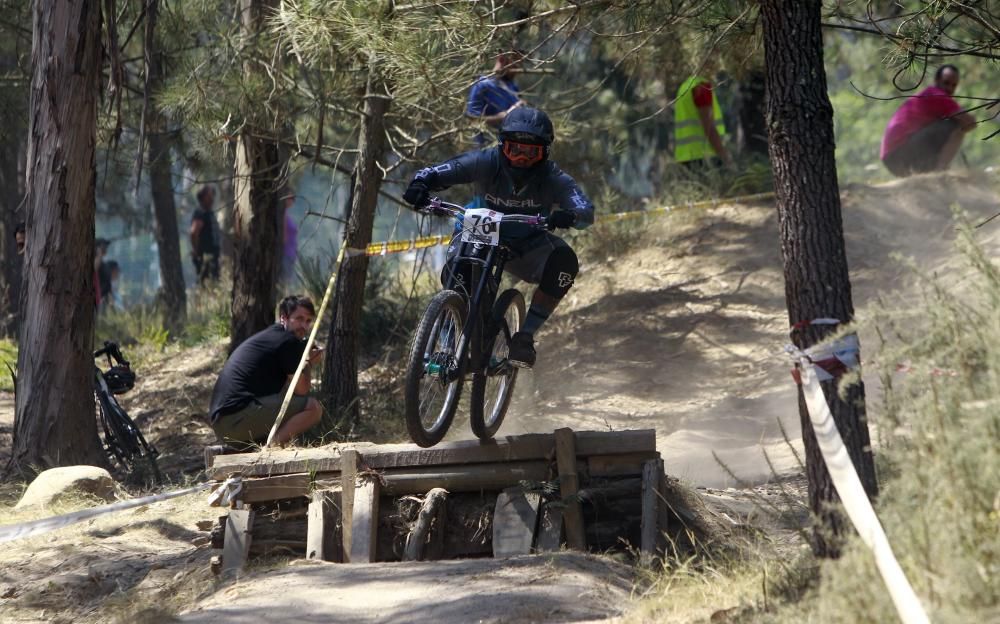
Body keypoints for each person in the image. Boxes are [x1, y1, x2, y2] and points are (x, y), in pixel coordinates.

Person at [402, 107, 594, 369]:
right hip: (481, 228)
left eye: (531, 152)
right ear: (502, 146)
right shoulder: (486, 161)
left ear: (545, 153)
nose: (521, 159)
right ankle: (446, 345)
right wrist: (420, 184)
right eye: (514, 149)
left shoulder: (553, 176)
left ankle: (524, 337)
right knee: (457, 278)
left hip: (528, 241)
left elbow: (585, 210)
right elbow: (438, 171)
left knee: (564, 264)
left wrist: (571, 216)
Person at [209, 295, 324, 448]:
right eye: (299, 318)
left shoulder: (273, 336)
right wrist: (308, 362)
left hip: (224, 421)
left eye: (308, 321)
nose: (304, 325)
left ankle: (263, 445)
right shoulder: (287, 340)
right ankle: (272, 448)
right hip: (235, 419)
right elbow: (302, 390)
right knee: (313, 408)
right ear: (284, 318)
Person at [881, 65, 977, 177]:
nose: (950, 88)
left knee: (949, 125)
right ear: (936, 81)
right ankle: (940, 173)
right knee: (956, 125)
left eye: (954, 85)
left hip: (892, 159)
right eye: (946, 83)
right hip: (899, 154)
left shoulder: (929, 94)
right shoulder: (937, 94)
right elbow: (970, 122)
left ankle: (932, 173)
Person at [466, 50, 527, 147]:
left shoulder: (513, 87)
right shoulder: (482, 85)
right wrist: (502, 117)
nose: (517, 71)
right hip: (486, 148)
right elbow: (473, 120)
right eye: (515, 66)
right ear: (502, 59)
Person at [673, 71, 732, 169]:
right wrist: (724, 155)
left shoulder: (685, 86)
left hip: (686, 159)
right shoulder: (702, 87)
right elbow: (709, 127)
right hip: (705, 159)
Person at [190, 185, 221, 284]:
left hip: (212, 257)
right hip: (205, 257)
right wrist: (196, 252)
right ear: (203, 197)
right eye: (209, 195)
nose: (212, 198)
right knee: (206, 283)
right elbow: (194, 232)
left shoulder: (208, 212)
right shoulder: (200, 212)